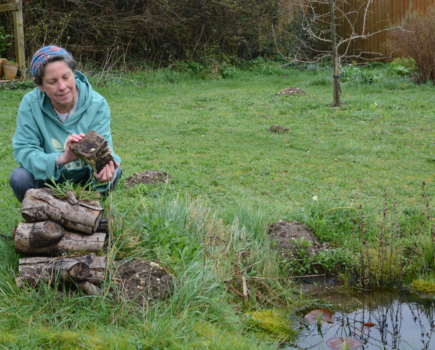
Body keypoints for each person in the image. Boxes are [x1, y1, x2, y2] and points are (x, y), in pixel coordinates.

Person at [9, 46, 122, 202]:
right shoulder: (30, 105)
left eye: (66, 77)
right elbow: (25, 150)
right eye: (52, 81)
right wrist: (60, 160)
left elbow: (104, 149)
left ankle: (89, 209)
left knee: (114, 168)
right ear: (39, 85)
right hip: (47, 179)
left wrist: (102, 172)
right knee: (20, 177)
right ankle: (42, 212)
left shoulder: (97, 104)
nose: (62, 87)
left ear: (74, 73)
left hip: (86, 179)